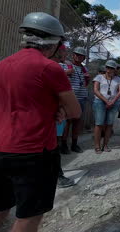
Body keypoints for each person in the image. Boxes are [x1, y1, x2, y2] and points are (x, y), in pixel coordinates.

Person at [0, 12, 81, 232]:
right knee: (29, 215)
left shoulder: (1, 65)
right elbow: (74, 110)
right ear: (53, 42)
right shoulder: (50, 68)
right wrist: (58, 109)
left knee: (0, 207)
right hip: (34, 151)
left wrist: (52, 108)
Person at [53, 44, 75, 188]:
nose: (65, 54)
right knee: (52, 142)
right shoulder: (54, 68)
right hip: (53, 110)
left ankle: (56, 173)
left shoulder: (62, 67)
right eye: (63, 51)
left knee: (56, 141)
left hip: (58, 109)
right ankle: (57, 175)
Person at [60, 47, 89, 154]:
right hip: (69, 98)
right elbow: (57, 76)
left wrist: (87, 78)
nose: (78, 56)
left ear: (84, 57)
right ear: (73, 55)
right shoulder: (65, 65)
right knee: (67, 122)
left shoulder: (85, 69)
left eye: (80, 55)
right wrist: (68, 72)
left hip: (81, 98)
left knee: (77, 121)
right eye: (76, 54)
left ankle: (74, 144)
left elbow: (85, 84)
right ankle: (63, 145)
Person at [92, 60, 120, 154]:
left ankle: (105, 145)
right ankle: (97, 146)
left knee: (109, 124)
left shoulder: (117, 79)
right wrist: (106, 101)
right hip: (100, 102)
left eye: (112, 68)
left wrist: (112, 101)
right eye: (108, 67)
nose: (109, 70)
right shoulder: (99, 77)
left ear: (115, 69)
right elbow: (96, 90)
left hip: (113, 103)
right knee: (99, 123)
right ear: (105, 68)